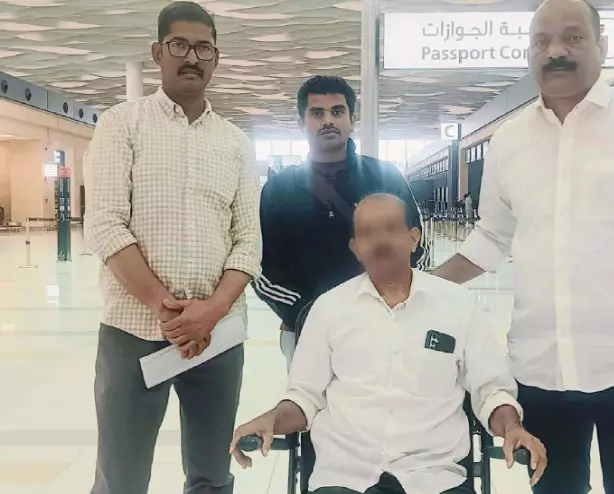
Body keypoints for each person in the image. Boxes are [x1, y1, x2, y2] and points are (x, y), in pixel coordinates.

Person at [434, 1, 614, 493]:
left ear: (601, 46)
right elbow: (492, 236)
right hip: (539, 371)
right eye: (541, 41)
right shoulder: (510, 141)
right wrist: (422, 285)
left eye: (573, 37)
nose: (556, 51)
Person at [231, 193, 547, 494]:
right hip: (345, 475)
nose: (380, 241)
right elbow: (304, 397)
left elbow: (491, 389)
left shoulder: (459, 306)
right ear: (356, 248)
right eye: (367, 233)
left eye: (391, 229)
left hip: (436, 476)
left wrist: (512, 427)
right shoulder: (329, 309)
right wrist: (272, 418)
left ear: (414, 238)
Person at [83, 2, 261, 493]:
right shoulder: (122, 124)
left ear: (216, 58)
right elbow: (105, 224)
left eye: (204, 48)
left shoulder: (236, 143)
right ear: (158, 52)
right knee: (121, 476)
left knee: (211, 474)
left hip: (217, 336)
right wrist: (166, 308)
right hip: (133, 332)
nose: (192, 58)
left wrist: (211, 311)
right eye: (180, 45)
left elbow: (248, 241)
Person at [252, 75, 427, 368]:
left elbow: (417, 246)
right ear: (302, 123)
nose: (328, 121)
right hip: (307, 330)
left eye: (337, 111)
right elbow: (261, 266)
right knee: (311, 398)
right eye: (317, 113)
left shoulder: (384, 176)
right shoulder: (279, 189)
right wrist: (307, 313)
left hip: (384, 326)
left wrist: (390, 302)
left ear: (351, 119)